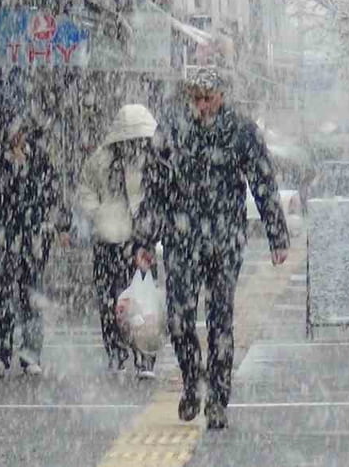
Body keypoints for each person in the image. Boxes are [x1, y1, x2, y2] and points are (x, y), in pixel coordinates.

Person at [137, 69, 290, 429]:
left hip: (224, 238)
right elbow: (154, 187)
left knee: (221, 320)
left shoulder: (240, 130)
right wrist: (144, 240)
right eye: (196, 99)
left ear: (221, 96)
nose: (202, 106)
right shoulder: (172, 129)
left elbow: (263, 182)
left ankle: (219, 399)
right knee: (179, 318)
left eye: (208, 98)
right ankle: (192, 379)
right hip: (181, 237)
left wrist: (277, 235)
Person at [75, 104, 160, 379]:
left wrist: (150, 226)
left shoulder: (152, 161)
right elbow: (85, 189)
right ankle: (116, 351)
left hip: (139, 241)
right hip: (108, 241)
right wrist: (98, 214)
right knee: (109, 300)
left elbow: (160, 194)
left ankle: (145, 356)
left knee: (144, 300)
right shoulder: (100, 161)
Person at [0, 113, 62, 377]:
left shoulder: (39, 158)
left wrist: (53, 224)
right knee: (2, 295)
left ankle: (31, 353)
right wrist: (10, 176)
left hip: (31, 238)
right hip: (2, 237)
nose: (18, 137)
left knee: (32, 296)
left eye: (21, 131)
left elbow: (51, 193)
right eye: (13, 132)